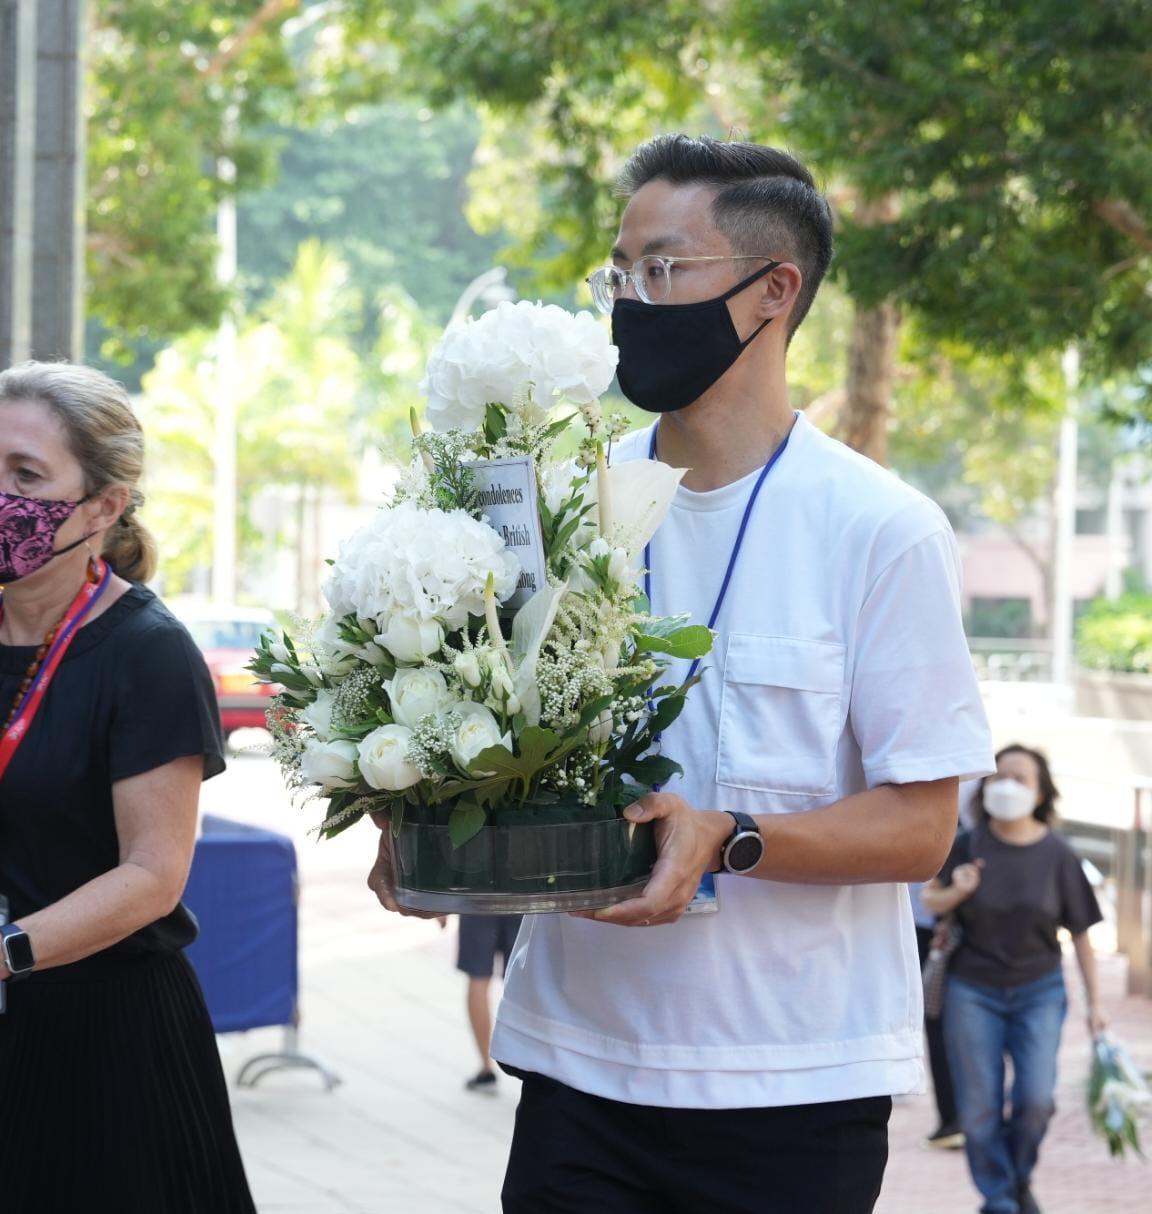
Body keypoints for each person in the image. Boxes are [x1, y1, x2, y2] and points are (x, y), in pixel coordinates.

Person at [367, 134, 994, 1212]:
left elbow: (921, 826)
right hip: (578, 1067)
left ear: (770, 292)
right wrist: (425, 818)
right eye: (618, 273)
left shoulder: (880, 530)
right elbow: (481, 719)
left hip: (793, 1087)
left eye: (661, 270)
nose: (629, 302)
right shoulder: (554, 505)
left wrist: (732, 835)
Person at [0, 361, 254, 1212]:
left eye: (27, 474)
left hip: (107, 1035)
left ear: (105, 507)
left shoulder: (149, 652)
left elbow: (154, 874)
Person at [921, 744, 1105, 1214]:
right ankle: (999, 1199)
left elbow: (1081, 933)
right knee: (979, 1108)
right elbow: (931, 902)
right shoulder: (966, 844)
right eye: (998, 776)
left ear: (1041, 791)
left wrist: (1096, 1004)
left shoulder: (1058, 853)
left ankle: (1018, 1177)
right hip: (972, 989)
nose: (1007, 786)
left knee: (1036, 1099)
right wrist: (957, 889)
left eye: (1020, 778)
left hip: (1039, 990)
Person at [909, 880, 964, 1149]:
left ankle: (954, 1119)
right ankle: (954, 1119)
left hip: (938, 924)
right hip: (936, 921)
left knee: (937, 1017)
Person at [457, 914, 524, 1092]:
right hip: (521, 896)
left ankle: (486, 1070)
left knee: (478, 979)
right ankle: (531, 1067)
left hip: (476, 897)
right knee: (521, 982)